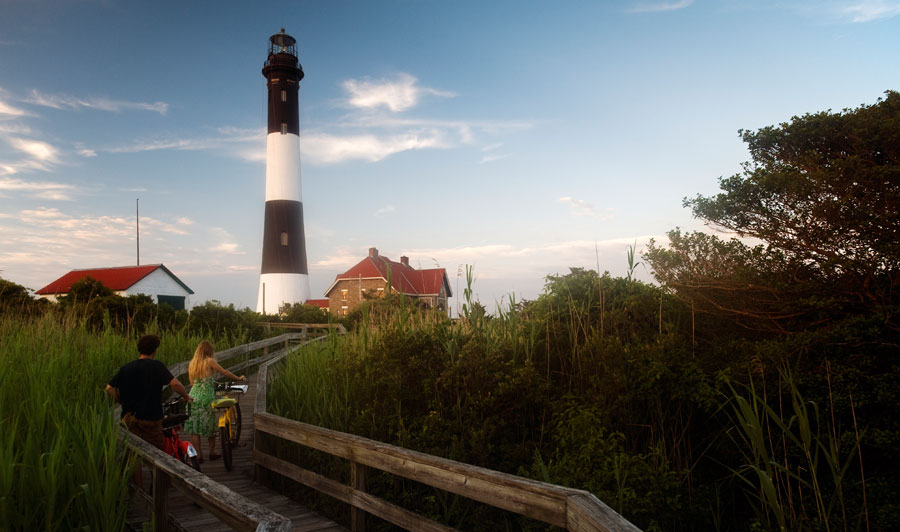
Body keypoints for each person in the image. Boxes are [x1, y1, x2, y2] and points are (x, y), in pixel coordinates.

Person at [106, 334, 192, 485]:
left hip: (130, 418)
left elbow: (109, 388)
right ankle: (157, 488)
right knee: (157, 456)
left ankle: (140, 489)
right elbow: (175, 384)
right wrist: (185, 396)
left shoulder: (127, 368)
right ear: (154, 350)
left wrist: (121, 401)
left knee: (133, 456)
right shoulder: (156, 366)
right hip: (151, 419)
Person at [183, 340, 246, 462]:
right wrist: (238, 378)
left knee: (195, 428)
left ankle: (199, 455)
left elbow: (191, 383)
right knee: (210, 426)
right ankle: (212, 453)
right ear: (209, 350)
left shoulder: (192, 364)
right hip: (206, 396)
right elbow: (225, 372)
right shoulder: (209, 361)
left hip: (193, 396)